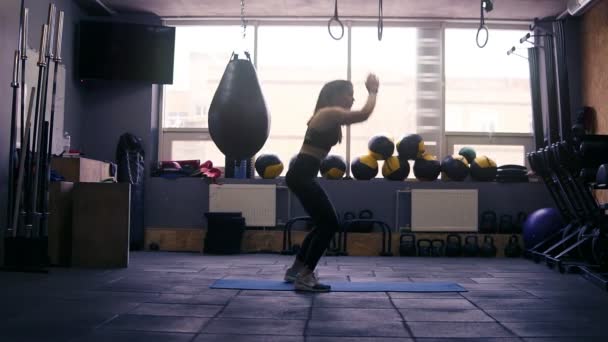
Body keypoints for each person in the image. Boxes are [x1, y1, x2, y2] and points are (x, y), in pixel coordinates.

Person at [284, 74, 380, 292]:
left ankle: (295, 270)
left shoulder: (328, 114)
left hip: (302, 175)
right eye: (349, 94)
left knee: (323, 223)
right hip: (301, 176)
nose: (352, 99)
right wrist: (373, 91)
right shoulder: (329, 113)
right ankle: (305, 276)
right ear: (336, 95)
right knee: (330, 224)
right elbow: (364, 114)